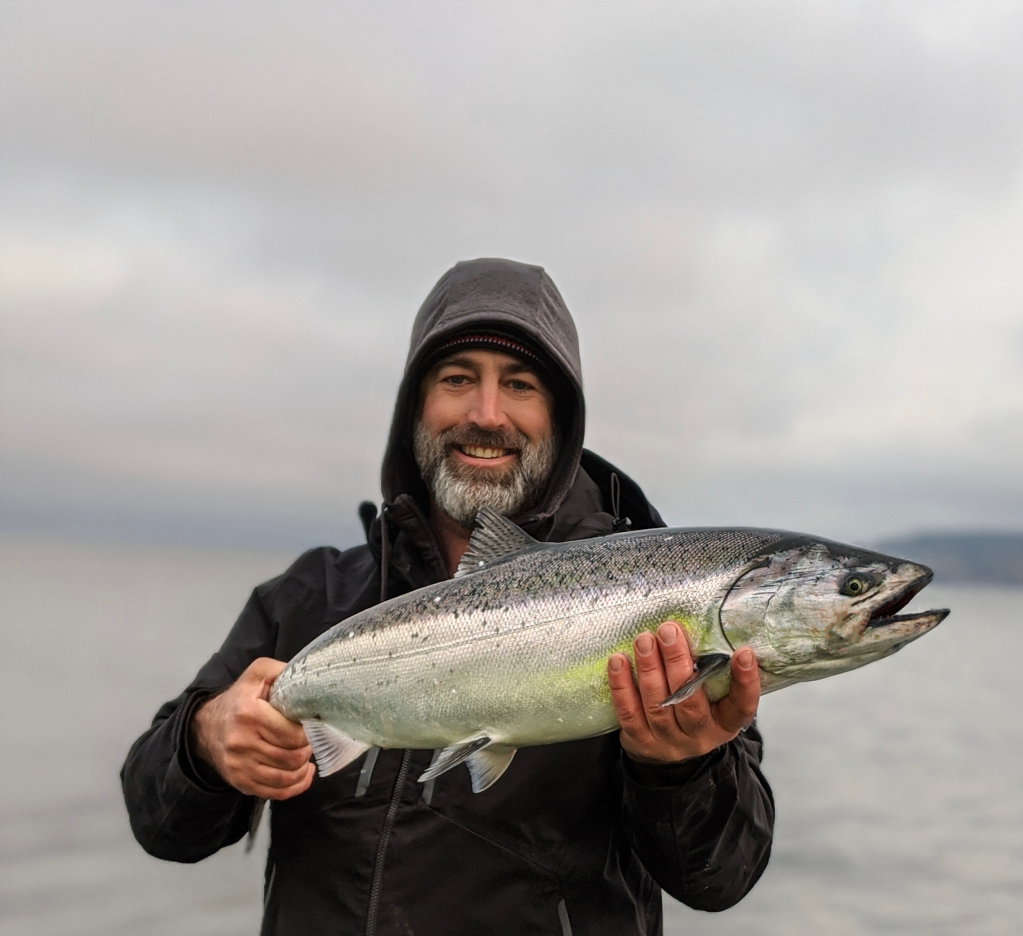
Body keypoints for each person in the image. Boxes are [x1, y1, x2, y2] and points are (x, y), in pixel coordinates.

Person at [122, 258, 774, 936]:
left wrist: (682, 771)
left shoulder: (657, 603)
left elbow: (721, 878)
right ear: (415, 406)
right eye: (457, 378)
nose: (486, 414)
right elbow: (163, 827)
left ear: (561, 418)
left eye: (519, 384)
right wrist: (204, 743)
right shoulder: (309, 597)